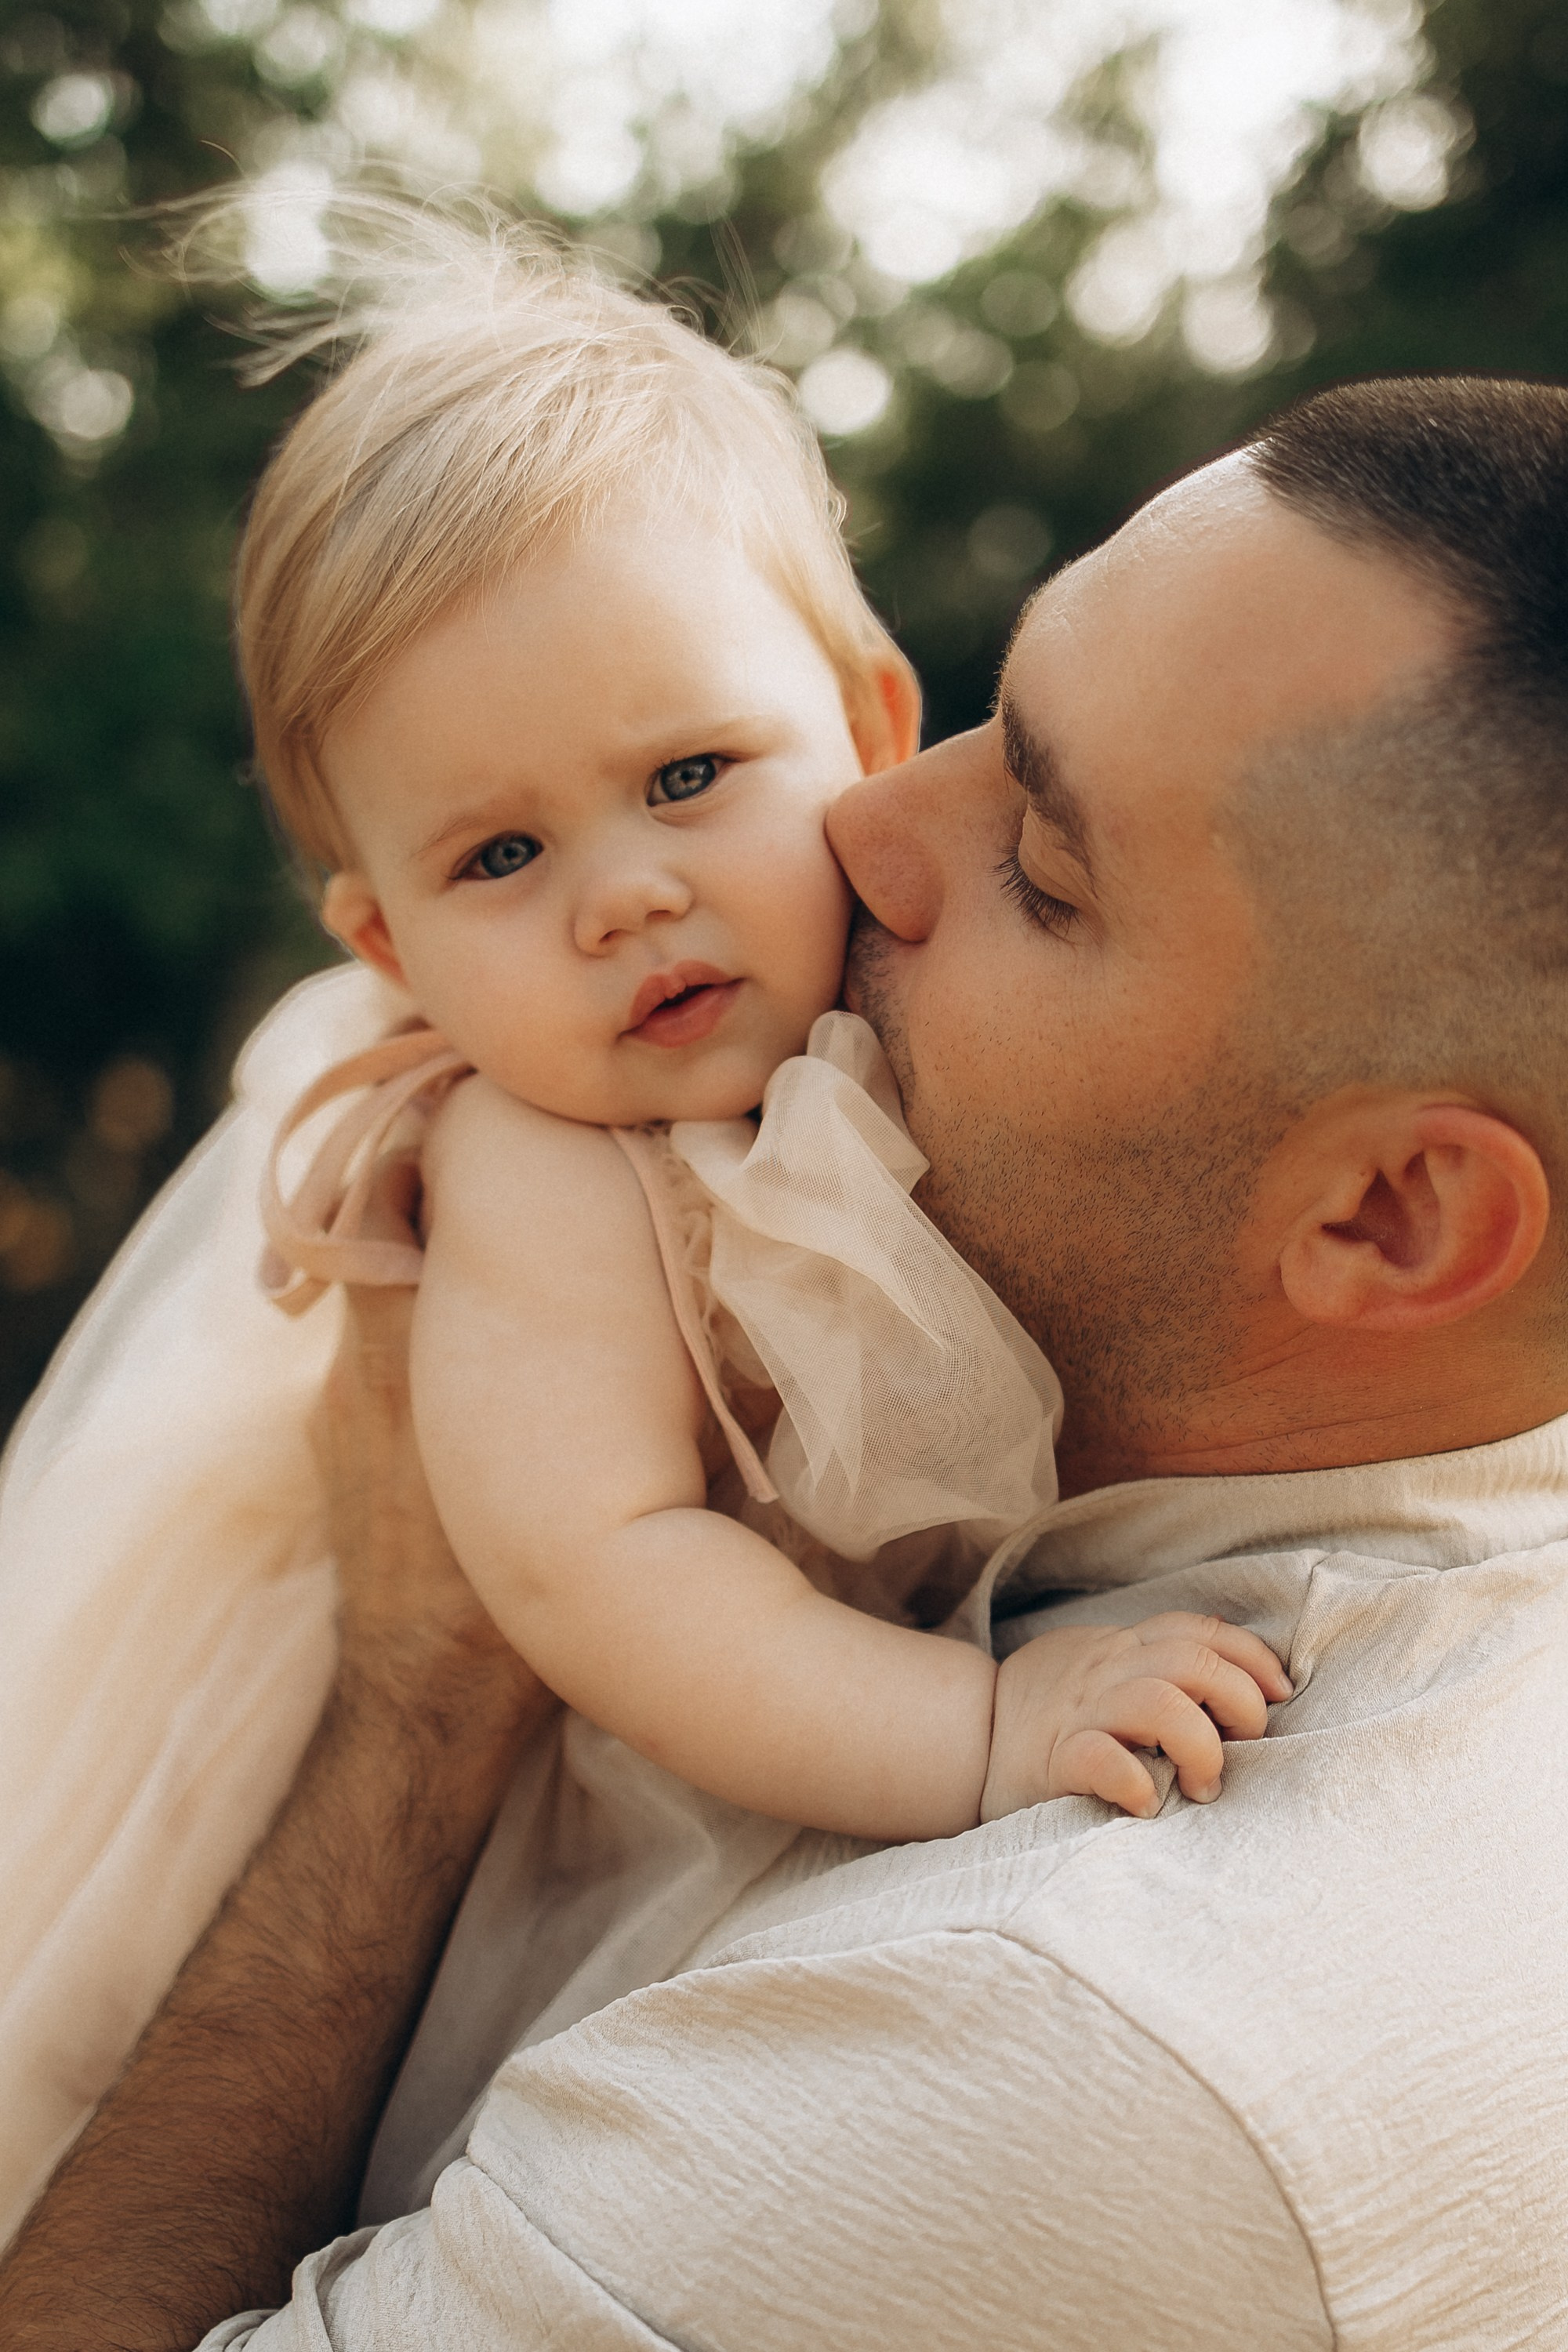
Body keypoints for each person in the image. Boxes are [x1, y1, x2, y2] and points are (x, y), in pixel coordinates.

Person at [6, 369, 1568, 2348]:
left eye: (1046, 868)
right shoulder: (561, 1166)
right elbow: (599, 1562)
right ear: (381, 940)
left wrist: (426, 1718)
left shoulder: (1071, 2049)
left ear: (1381, 1225)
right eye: (495, 858)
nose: (870, 833)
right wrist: (978, 1727)